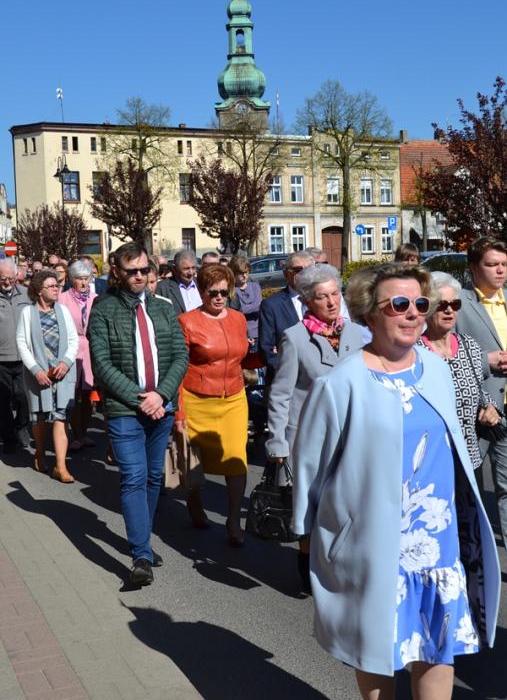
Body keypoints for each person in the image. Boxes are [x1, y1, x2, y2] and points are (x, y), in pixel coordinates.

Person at [291, 262, 500, 699]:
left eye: (420, 304)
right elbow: (312, 464)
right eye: (399, 304)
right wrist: (315, 537)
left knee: (438, 649)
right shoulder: (341, 384)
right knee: (377, 652)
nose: (413, 314)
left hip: (438, 542)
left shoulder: (435, 368)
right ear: (370, 314)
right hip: (373, 544)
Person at [88, 243, 188, 584]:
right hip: (124, 410)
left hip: (161, 407)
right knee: (133, 476)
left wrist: (161, 395)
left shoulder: (162, 308)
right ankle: (141, 556)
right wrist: (139, 398)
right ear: (117, 271)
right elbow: (102, 365)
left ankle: (142, 539)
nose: (140, 276)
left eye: (145, 270)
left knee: (153, 478)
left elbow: (180, 356)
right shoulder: (103, 310)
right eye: (132, 271)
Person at [265, 264, 363, 590]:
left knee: (347, 505)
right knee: (310, 508)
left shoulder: (355, 333)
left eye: (335, 294)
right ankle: (309, 572)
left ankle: (341, 567)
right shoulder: (295, 338)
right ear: (308, 301)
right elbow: (281, 394)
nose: (332, 302)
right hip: (307, 438)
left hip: (350, 435)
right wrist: (277, 441)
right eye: (323, 297)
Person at [176, 264, 252, 547]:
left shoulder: (238, 319)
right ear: (201, 291)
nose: (219, 297)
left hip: (233, 398)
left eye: (224, 291)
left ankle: (233, 520)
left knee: (236, 459)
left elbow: (242, 357)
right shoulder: (187, 322)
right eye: (212, 292)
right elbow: (177, 369)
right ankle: (194, 504)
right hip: (197, 400)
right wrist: (179, 411)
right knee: (193, 462)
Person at [455, 235, 507, 551]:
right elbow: (444, 351)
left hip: (505, 409)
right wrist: (485, 361)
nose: (500, 270)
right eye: (492, 264)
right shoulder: (456, 302)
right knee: (466, 485)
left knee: (505, 487)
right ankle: (468, 552)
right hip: (476, 410)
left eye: (504, 264)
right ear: (474, 268)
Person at [418, 271, 499, 471]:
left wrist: (490, 407)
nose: (449, 310)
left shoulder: (469, 345)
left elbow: (480, 390)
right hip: (431, 460)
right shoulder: (415, 352)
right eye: (441, 305)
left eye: (455, 304)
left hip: (469, 458)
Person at [16, 270, 78, 482]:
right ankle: (40, 453)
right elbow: (22, 343)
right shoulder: (27, 313)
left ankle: (61, 466)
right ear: (39, 291)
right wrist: (35, 370)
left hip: (62, 372)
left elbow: (73, 340)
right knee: (40, 417)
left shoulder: (63, 311)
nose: (56, 289)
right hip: (38, 374)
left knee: (61, 417)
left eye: (57, 285)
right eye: (51, 286)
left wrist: (66, 362)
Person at [258, 250, 315, 381]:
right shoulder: (271, 305)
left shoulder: (322, 299)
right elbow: (266, 351)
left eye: (308, 269)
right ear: (286, 274)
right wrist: (293, 372)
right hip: (287, 380)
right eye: (298, 270)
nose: (304, 274)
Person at [59, 260, 96, 451]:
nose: (83, 282)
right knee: (73, 394)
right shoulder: (62, 299)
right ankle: (77, 435)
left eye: (86, 278)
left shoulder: (96, 298)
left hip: (90, 349)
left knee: (88, 393)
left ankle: (85, 433)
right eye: (79, 279)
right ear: (71, 279)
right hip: (71, 349)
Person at [0, 258, 31, 453]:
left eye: (10, 278)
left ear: (16, 276)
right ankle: (9, 438)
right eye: (2, 278)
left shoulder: (26, 294)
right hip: (1, 359)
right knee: (3, 401)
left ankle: (21, 426)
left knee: (23, 397)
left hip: (23, 357)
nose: (6, 282)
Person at [229, 255, 262, 346]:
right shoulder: (231, 290)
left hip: (258, 332)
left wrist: (243, 309)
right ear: (233, 273)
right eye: (241, 273)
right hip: (240, 333)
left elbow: (259, 307)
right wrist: (253, 307)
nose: (244, 275)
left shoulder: (255, 286)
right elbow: (236, 312)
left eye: (246, 272)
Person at [156, 249, 201, 314]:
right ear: (175, 269)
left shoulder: (202, 284)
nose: (191, 272)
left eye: (193, 268)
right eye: (186, 269)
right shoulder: (162, 288)